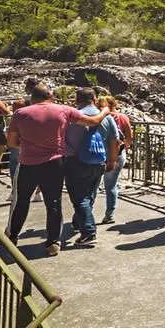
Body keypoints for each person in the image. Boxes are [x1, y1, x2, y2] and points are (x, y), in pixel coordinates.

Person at [6, 82, 115, 256]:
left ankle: (12, 236)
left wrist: (28, 146)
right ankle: (53, 242)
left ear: (32, 97)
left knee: (21, 201)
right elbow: (93, 121)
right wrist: (105, 111)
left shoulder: (21, 113)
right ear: (51, 96)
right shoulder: (64, 110)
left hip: (28, 163)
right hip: (54, 164)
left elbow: (11, 142)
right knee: (54, 203)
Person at [63, 87, 119, 247]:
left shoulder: (73, 117)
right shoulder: (106, 117)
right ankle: (78, 222)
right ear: (94, 99)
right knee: (90, 194)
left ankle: (88, 232)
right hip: (99, 161)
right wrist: (112, 160)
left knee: (79, 198)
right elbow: (114, 140)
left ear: (77, 100)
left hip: (76, 162)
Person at [96, 95, 132, 225]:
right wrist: (123, 150)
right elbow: (129, 137)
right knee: (111, 185)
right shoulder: (123, 117)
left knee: (93, 185)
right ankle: (110, 214)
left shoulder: (99, 118)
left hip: (101, 154)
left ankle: (84, 215)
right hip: (118, 154)